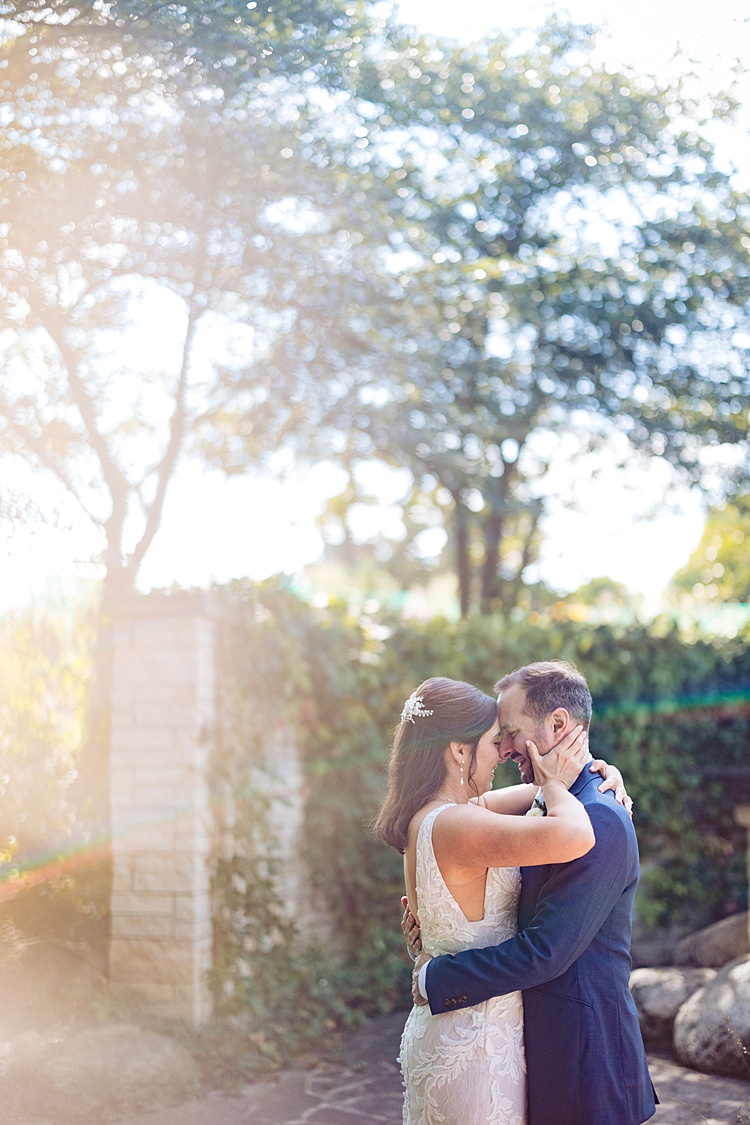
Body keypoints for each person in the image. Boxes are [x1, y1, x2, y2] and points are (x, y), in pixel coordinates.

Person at [405, 661, 657, 1125]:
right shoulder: (549, 804)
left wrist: (435, 976)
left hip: (582, 1058)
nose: (502, 749)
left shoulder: (598, 816)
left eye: (510, 733)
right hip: (523, 1046)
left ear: (558, 724)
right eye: (495, 738)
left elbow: (546, 951)